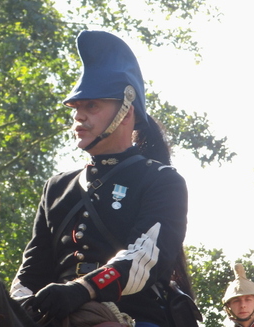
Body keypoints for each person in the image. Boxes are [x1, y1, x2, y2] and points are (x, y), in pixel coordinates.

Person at [10, 30, 192, 327]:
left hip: (134, 316)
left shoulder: (162, 180)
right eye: (77, 108)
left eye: (92, 106)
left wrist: (82, 289)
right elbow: (31, 270)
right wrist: (21, 304)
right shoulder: (57, 187)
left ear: (127, 111)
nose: (79, 117)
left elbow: (141, 261)